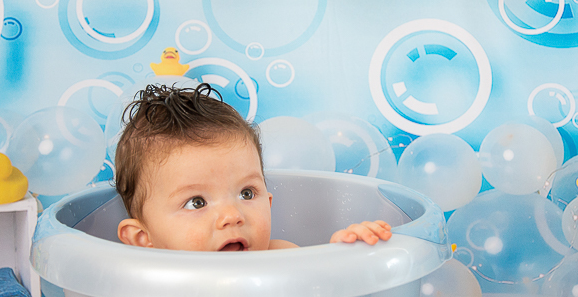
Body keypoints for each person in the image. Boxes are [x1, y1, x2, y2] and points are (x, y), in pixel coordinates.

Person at [114, 83, 392, 251]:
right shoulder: (142, 286)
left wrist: (344, 255)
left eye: (247, 193)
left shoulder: (281, 259)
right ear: (143, 238)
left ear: (269, 203)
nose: (232, 216)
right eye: (197, 202)